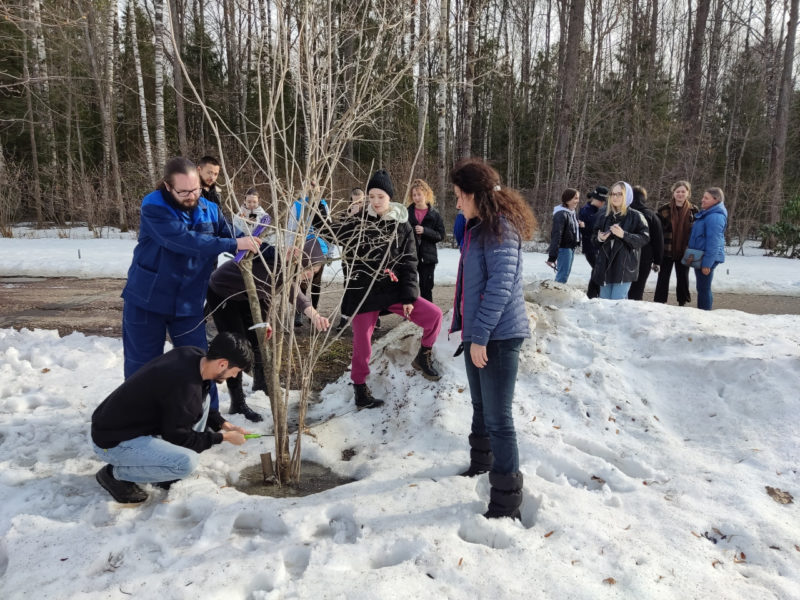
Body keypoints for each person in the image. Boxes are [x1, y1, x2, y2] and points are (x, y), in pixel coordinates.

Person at [121, 158, 260, 419]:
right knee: (142, 364)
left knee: (200, 363)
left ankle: (209, 416)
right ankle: (137, 420)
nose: (191, 196)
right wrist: (233, 244)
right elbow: (184, 241)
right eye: (183, 192)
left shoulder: (208, 208)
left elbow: (232, 234)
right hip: (147, 300)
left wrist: (274, 251)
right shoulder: (153, 206)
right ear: (167, 187)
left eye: (195, 189)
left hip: (188, 303)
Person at [449, 158, 537, 520]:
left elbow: (499, 289)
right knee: (481, 408)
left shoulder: (501, 228)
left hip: (498, 337)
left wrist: (481, 337)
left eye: (459, 196)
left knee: (499, 418)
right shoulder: (478, 227)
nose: (456, 204)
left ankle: (506, 503)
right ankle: (481, 466)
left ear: (473, 195)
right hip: (480, 334)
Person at [91, 332, 254, 504]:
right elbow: (178, 436)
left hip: (123, 424)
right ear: (223, 364)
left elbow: (199, 401)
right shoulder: (184, 389)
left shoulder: (194, 356)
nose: (234, 376)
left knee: (203, 403)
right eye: (235, 372)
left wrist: (224, 424)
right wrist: (224, 438)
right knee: (185, 464)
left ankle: (162, 469)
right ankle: (114, 475)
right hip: (113, 442)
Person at [333, 169, 443, 409]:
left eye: (380, 196)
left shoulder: (401, 224)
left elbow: (409, 262)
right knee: (363, 343)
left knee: (433, 316)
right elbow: (331, 233)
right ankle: (360, 389)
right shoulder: (359, 221)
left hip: (392, 289)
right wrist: (348, 217)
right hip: (364, 291)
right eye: (371, 196)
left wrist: (408, 296)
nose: (375, 201)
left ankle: (423, 357)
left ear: (389, 198)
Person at [206, 239, 331, 422]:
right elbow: (277, 294)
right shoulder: (273, 264)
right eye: (310, 270)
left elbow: (286, 291)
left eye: (316, 271)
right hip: (224, 292)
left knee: (258, 341)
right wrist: (266, 322)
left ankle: (261, 384)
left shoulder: (286, 269)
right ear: (300, 262)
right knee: (237, 347)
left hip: (248, 295)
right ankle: (237, 402)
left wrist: (314, 316)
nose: (311, 275)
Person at [591, 181, 650, 300]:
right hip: (604, 267)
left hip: (624, 268)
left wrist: (624, 235)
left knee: (618, 304)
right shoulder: (604, 215)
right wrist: (599, 238)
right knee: (604, 303)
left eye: (620, 194)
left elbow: (644, 238)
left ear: (627, 195)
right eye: (613, 194)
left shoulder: (636, 216)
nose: (615, 197)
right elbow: (593, 239)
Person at [288, 179, 331, 323]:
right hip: (302, 248)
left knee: (316, 282)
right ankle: (300, 311)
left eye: (314, 185)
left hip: (320, 248)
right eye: (309, 185)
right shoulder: (298, 204)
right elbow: (290, 228)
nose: (312, 188)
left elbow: (328, 228)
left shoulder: (322, 204)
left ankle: (315, 310)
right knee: (302, 280)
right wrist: (290, 248)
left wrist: (329, 251)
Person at [654, 181, 698, 306]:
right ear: (673, 193)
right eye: (677, 191)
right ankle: (659, 302)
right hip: (667, 249)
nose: (680, 194)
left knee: (683, 277)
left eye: (683, 191)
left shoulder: (694, 211)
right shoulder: (663, 210)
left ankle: (682, 301)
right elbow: (658, 232)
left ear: (688, 193)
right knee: (663, 277)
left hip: (685, 250)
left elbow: (695, 232)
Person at [687, 187, 727, 310]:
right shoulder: (708, 214)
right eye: (703, 197)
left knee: (704, 288)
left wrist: (707, 264)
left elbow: (713, 242)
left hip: (706, 257)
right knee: (702, 287)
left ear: (716, 200)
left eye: (706, 198)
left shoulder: (715, 217)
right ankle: (703, 311)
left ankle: (704, 313)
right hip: (700, 255)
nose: (702, 200)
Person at [407, 178, 446, 302]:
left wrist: (425, 231)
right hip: (410, 255)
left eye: (419, 194)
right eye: (414, 195)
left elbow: (441, 235)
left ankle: (428, 316)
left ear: (426, 194)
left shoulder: (434, 214)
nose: (417, 197)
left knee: (426, 287)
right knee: (409, 287)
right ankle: (409, 314)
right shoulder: (406, 213)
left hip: (428, 258)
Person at [627, 186, 664, 300]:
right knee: (638, 288)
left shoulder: (624, 213)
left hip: (625, 255)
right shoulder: (652, 216)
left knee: (623, 286)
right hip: (644, 256)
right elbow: (658, 240)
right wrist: (657, 261)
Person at [337, 188, 366, 331]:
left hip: (364, 256)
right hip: (348, 255)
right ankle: (344, 316)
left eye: (360, 200)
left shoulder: (369, 214)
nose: (357, 203)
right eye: (355, 199)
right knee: (348, 285)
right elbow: (341, 236)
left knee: (365, 285)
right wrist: (350, 217)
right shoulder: (345, 214)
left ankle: (371, 316)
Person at [546, 188, 582, 284]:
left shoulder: (572, 213)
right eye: (575, 198)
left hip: (570, 248)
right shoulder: (561, 214)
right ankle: (556, 296)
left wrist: (580, 225)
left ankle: (557, 294)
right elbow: (556, 235)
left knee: (564, 274)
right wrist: (552, 257)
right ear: (567, 199)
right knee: (562, 276)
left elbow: (571, 231)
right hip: (564, 249)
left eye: (578, 198)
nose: (577, 201)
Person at [579, 186, 608, 298]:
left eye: (604, 201)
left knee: (597, 269)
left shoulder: (602, 211)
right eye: (601, 201)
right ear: (595, 199)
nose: (602, 203)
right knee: (597, 269)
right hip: (590, 246)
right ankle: (592, 295)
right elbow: (583, 230)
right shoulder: (585, 210)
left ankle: (593, 294)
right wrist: (585, 228)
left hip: (599, 246)